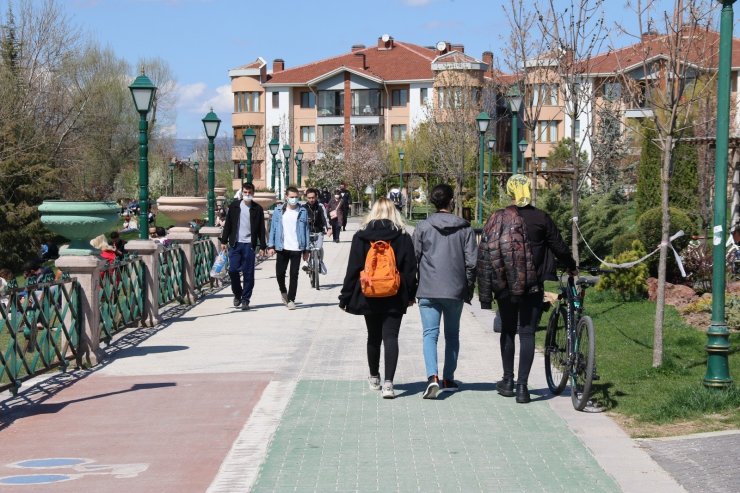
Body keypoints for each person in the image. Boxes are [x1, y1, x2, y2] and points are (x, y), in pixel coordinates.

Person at [477, 174, 577, 404]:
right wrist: (571, 267)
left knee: (508, 331)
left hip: (505, 286)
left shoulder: (499, 218)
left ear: (510, 193)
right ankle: (523, 388)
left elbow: (487, 251)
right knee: (527, 333)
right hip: (532, 286)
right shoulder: (541, 218)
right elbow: (559, 246)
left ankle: (508, 381)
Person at [339, 197, 418, 399]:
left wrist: (346, 295)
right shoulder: (402, 236)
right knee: (391, 337)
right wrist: (411, 294)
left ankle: (374, 377)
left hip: (369, 293)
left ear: (373, 212)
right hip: (395, 293)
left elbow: (353, 268)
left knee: (373, 336)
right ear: (394, 212)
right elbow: (410, 269)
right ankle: (389, 384)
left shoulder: (361, 236)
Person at [412, 184, 477, 399]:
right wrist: (467, 287)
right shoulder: (465, 228)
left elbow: (414, 258)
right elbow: (472, 262)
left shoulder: (422, 227)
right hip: (455, 289)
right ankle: (448, 378)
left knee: (430, 335)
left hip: (428, 288)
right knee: (452, 334)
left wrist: (414, 287)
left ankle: (432, 378)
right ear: (451, 201)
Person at [220, 182, 267, 311]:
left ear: (253, 193)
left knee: (248, 274)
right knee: (233, 271)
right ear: (242, 192)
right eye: (245, 192)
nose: (247, 195)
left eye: (250, 193)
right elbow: (228, 224)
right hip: (235, 244)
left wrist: (263, 246)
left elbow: (261, 230)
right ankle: (237, 294)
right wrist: (224, 241)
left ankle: (245, 299)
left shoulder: (257, 209)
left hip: (249, 245)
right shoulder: (234, 206)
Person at [267, 186, 310, 310]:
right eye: (291, 197)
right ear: (286, 197)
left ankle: (291, 299)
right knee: (280, 273)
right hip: (282, 247)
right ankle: (283, 291)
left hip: (297, 247)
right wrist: (271, 246)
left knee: (294, 274)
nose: (294, 199)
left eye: (296, 197)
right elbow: (273, 230)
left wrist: (306, 250)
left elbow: (306, 231)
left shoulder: (303, 211)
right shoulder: (278, 211)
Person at [303, 187, 331, 273]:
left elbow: (325, 218)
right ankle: (305, 263)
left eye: (313, 197)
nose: (311, 199)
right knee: (305, 248)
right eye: (309, 198)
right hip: (307, 232)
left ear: (316, 197)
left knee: (319, 248)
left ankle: (320, 262)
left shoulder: (320, 206)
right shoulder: (303, 207)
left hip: (318, 231)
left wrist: (329, 228)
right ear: (306, 198)